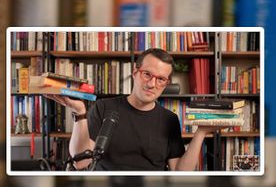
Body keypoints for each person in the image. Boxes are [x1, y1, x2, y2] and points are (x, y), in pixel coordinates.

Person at [66, 45, 203, 173]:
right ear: (135, 73)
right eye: (147, 74)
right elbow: (81, 162)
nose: (151, 84)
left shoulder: (170, 119)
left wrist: (201, 132)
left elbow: (179, 172)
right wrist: (79, 113)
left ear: (166, 83)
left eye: (160, 79)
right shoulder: (104, 107)